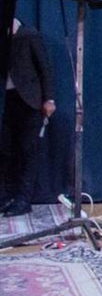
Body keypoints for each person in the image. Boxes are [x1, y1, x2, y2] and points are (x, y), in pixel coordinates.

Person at [1, 19, 56, 216]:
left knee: (28, 149)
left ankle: (23, 199)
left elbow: (45, 68)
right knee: (5, 149)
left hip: (29, 100)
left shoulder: (28, 35)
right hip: (6, 100)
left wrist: (49, 99)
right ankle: (5, 197)